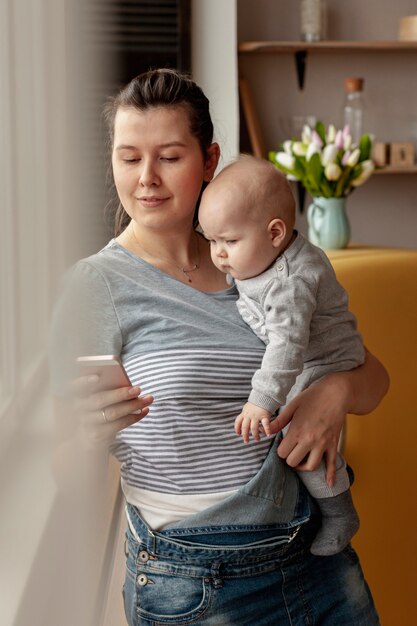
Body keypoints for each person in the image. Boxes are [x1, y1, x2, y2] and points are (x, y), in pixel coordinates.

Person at [49, 69, 388, 625]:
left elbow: (374, 382)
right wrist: (87, 437)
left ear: (210, 160)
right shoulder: (95, 288)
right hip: (196, 585)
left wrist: (336, 392)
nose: (147, 180)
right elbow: (65, 472)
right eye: (129, 158)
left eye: (170, 157)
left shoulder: (263, 256)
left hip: (321, 561)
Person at [199, 154, 363, 557]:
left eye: (229, 242)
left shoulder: (290, 282)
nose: (218, 254)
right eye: (211, 241)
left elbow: (287, 347)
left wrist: (262, 400)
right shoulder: (259, 260)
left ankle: (339, 510)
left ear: (275, 233)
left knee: (300, 438)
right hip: (310, 357)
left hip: (323, 363)